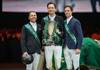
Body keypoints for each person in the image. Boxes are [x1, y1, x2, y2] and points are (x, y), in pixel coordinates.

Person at [41, 2, 64, 70]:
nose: (51, 9)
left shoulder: (60, 18)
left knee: (58, 63)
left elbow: (63, 31)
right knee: (48, 64)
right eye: (49, 8)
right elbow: (42, 33)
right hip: (47, 45)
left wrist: (59, 36)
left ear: (55, 9)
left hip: (58, 45)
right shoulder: (44, 19)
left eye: (52, 8)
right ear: (47, 9)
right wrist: (43, 44)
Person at [63, 5, 83, 70]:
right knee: (69, 67)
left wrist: (78, 48)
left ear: (71, 11)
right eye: (65, 11)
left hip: (74, 47)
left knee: (76, 66)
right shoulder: (64, 22)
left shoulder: (76, 21)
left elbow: (80, 35)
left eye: (68, 10)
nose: (66, 12)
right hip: (66, 47)